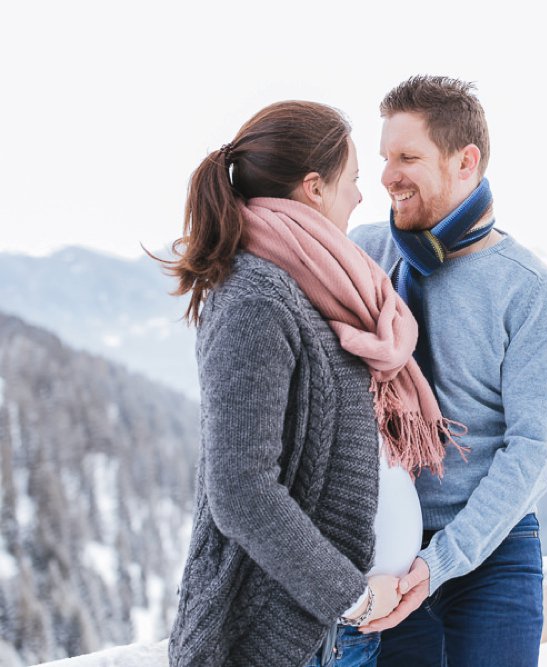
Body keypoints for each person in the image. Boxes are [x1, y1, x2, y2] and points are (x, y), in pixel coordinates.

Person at [164, 101, 461, 667]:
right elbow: (241, 491)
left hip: (334, 632)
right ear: (314, 188)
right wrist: (351, 597)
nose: (360, 196)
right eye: (351, 179)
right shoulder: (255, 297)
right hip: (280, 637)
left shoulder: (313, 284)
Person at [350, 76, 547, 666]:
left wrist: (442, 560)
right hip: (385, 556)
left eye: (407, 157)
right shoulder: (363, 254)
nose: (387, 176)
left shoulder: (526, 287)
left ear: (465, 161)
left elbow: (534, 449)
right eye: (384, 158)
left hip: (490, 555)